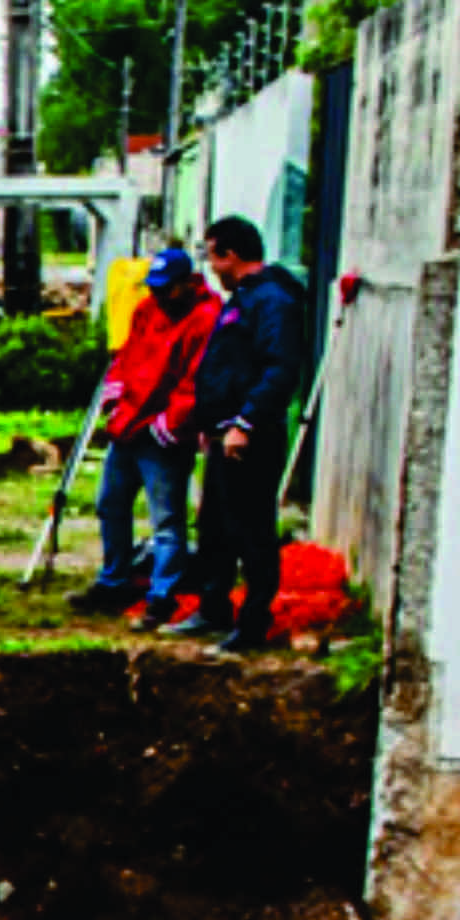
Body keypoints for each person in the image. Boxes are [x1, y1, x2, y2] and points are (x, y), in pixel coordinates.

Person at [159, 214, 308, 656]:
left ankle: (253, 623)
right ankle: (213, 605)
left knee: (251, 530)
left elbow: (279, 368)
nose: (210, 267)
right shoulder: (243, 298)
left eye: (212, 255)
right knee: (216, 527)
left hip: (250, 437)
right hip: (223, 434)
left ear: (232, 255)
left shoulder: (272, 300)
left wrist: (247, 422)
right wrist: (213, 424)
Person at [67, 247, 219, 618]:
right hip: (129, 424)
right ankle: (114, 581)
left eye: (166, 288)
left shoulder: (206, 317)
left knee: (167, 519)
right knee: (110, 503)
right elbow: (127, 357)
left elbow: (199, 379)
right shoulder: (146, 309)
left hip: (164, 433)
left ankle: (162, 594)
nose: (158, 294)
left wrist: (171, 423)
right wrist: (115, 395)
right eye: (154, 287)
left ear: (186, 284)